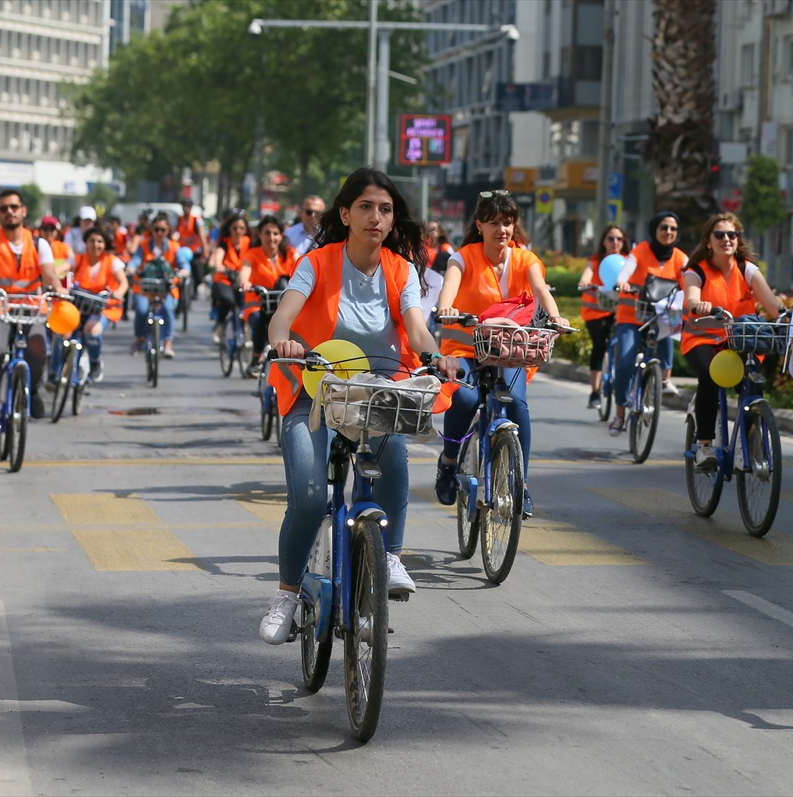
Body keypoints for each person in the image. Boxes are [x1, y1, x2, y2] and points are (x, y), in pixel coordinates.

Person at [260, 168, 457, 644]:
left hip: (377, 391)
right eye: (365, 207)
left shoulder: (401, 269)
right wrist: (283, 341)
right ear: (345, 214)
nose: (375, 217)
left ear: (393, 220)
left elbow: (416, 328)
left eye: (385, 209)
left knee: (392, 455)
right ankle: (287, 595)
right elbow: (283, 315)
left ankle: (389, 554)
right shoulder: (316, 263)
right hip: (315, 390)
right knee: (308, 499)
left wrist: (434, 356)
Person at [433, 190, 567, 518]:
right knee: (463, 401)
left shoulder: (526, 260)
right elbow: (448, 290)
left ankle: (520, 484)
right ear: (479, 225)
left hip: (511, 352)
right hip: (466, 348)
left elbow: (540, 292)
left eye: (507, 223)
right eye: (493, 223)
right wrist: (446, 308)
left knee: (516, 404)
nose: (501, 230)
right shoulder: (463, 257)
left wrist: (555, 315)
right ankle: (449, 461)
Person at [681, 213, 782, 469]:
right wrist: (699, 305)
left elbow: (772, 304)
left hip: (738, 341)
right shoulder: (696, 271)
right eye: (720, 235)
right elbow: (692, 296)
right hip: (701, 339)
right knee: (709, 376)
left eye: (732, 235)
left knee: (753, 383)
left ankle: (748, 445)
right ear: (708, 241)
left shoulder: (747, 269)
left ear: (738, 240)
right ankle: (705, 445)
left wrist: (788, 314)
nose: (726, 239)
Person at [0, 188, 66, 427]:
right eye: (4, 208)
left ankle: (32, 389)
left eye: (14, 207)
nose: (9, 212)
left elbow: (49, 274)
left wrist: (58, 289)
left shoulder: (38, 243)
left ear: (23, 211)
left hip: (30, 307)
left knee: (37, 349)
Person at [608, 211, 689, 434]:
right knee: (625, 362)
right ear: (654, 229)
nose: (668, 232)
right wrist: (622, 282)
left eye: (673, 228)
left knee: (667, 327)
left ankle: (665, 379)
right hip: (632, 314)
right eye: (664, 227)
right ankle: (620, 413)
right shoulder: (640, 251)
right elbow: (627, 269)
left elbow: (692, 280)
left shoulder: (681, 258)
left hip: (661, 315)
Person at [69, 226, 129, 383]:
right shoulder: (79, 259)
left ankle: (95, 361)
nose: (96, 245)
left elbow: (123, 283)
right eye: (92, 241)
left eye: (100, 241)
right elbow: (58, 270)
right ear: (86, 242)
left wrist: (119, 293)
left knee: (91, 329)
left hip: (105, 307)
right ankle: (55, 374)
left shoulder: (112, 261)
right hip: (80, 306)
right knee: (61, 331)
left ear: (105, 244)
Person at [577, 224, 628, 408]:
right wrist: (585, 282)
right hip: (595, 313)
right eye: (611, 238)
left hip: (619, 312)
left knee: (626, 346)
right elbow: (586, 277)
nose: (615, 242)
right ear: (603, 241)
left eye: (619, 239)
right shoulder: (595, 261)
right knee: (600, 346)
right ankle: (595, 392)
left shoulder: (628, 262)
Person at [127, 213, 191, 359]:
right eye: (156, 229)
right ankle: (138, 339)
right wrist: (131, 268)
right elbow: (135, 260)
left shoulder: (175, 247)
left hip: (166, 289)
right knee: (142, 311)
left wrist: (184, 271)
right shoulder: (143, 244)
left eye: (163, 229)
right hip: (145, 288)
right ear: (152, 229)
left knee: (168, 309)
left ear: (168, 230)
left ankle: (168, 344)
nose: (160, 233)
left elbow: (184, 264)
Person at [239, 215, 297, 377]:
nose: (271, 238)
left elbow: (302, 269)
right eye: (267, 233)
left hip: (282, 302)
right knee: (257, 319)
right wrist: (245, 283)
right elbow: (244, 272)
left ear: (281, 235)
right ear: (259, 234)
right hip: (257, 300)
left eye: (275, 233)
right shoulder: (252, 254)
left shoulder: (291, 254)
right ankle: (257, 358)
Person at [209, 211, 250, 343]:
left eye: (241, 228)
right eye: (235, 228)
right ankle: (220, 326)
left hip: (243, 280)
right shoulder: (224, 243)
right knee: (227, 299)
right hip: (224, 279)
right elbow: (218, 259)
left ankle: (247, 331)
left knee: (248, 303)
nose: (238, 231)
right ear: (229, 229)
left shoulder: (250, 243)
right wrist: (219, 266)